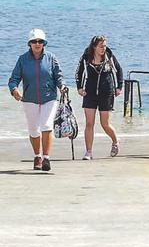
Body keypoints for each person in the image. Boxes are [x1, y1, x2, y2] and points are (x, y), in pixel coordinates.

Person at [8, 28, 65, 172]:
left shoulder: (51, 58)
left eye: (40, 41)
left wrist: (62, 86)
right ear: (30, 44)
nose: (37, 44)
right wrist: (14, 90)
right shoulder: (22, 59)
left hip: (49, 97)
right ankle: (37, 156)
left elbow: (58, 76)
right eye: (34, 41)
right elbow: (14, 79)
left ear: (44, 43)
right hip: (29, 99)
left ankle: (46, 158)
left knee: (46, 125)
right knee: (34, 130)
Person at [75, 35, 123, 159]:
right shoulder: (86, 57)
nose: (103, 48)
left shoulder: (109, 56)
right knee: (89, 123)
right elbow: (78, 73)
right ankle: (88, 152)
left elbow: (119, 70)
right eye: (101, 46)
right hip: (90, 93)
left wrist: (119, 87)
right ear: (94, 47)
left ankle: (115, 141)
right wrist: (79, 88)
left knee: (104, 123)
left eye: (105, 46)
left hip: (106, 93)